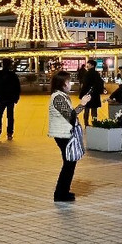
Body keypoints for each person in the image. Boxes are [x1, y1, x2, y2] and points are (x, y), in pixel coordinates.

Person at [48, 70, 92, 203]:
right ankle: (60, 194)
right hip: (63, 134)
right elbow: (71, 115)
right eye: (68, 81)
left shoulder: (61, 96)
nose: (70, 84)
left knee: (70, 163)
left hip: (65, 133)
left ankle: (63, 192)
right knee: (68, 163)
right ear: (62, 83)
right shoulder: (58, 97)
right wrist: (83, 104)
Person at [0, 58, 21, 140]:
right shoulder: (13, 75)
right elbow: (17, 87)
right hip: (10, 98)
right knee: (10, 116)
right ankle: (9, 132)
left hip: (1, 97)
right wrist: (16, 97)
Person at [78, 58, 106, 126]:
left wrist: (82, 95)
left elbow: (85, 85)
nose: (88, 65)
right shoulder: (97, 74)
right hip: (95, 94)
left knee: (86, 109)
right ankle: (95, 123)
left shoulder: (87, 74)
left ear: (92, 65)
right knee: (94, 110)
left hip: (87, 94)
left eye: (89, 64)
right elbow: (100, 83)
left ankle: (86, 124)